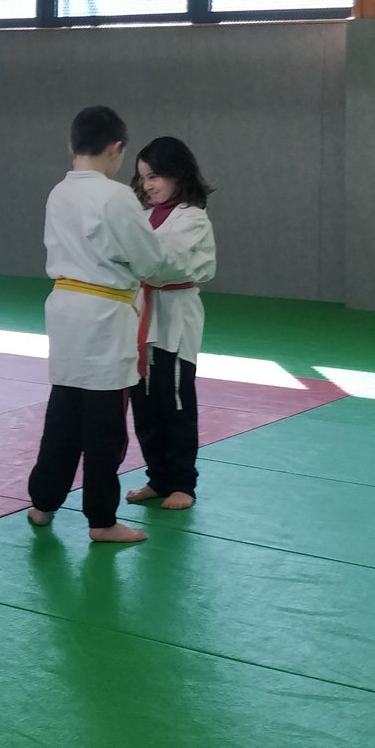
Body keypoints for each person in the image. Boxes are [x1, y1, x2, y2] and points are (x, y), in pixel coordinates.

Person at [25, 105, 192, 545]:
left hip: (64, 307)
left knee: (63, 410)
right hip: (105, 313)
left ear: (72, 144)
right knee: (104, 423)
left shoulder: (59, 192)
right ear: (116, 148)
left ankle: (43, 503)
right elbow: (148, 260)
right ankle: (101, 520)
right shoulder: (116, 196)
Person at [126, 137, 217, 512]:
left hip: (175, 318)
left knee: (175, 402)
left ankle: (182, 483)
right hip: (141, 317)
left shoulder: (192, 217)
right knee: (144, 404)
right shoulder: (143, 215)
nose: (148, 185)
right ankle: (158, 477)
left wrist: (131, 256)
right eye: (143, 177)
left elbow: (162, 264)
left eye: (155, 176)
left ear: (178, 174)